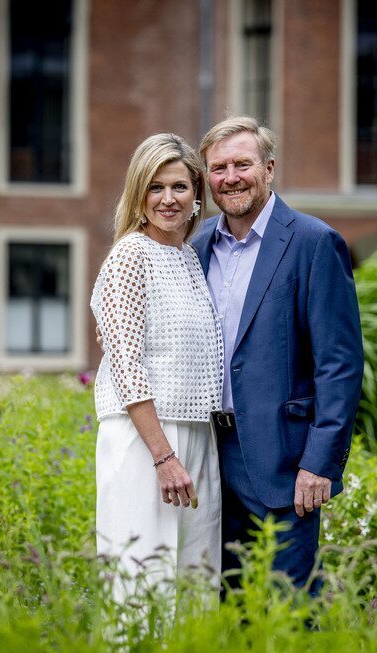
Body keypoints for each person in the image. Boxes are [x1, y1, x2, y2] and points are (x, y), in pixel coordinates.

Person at [190, 116, 363, 590]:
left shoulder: (313, 242)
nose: (230, 178)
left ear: (268, 168)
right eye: (219, 168)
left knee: (292, 607)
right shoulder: (197, 243)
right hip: (206, 452)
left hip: (285, 462)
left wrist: (320, 462)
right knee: (228, 603)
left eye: (242, 164)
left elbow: (339, 365)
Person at [91, 133, 224, 602]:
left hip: (196, 437)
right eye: (155, 187)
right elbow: (127, 367)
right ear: (138, 194)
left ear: (196, 196)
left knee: (194, 582)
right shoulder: (129, 257)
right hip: (146, 441)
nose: (168, 199)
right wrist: (164, 457)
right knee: (142, 585)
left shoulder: (188, 257)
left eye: (180, 187)